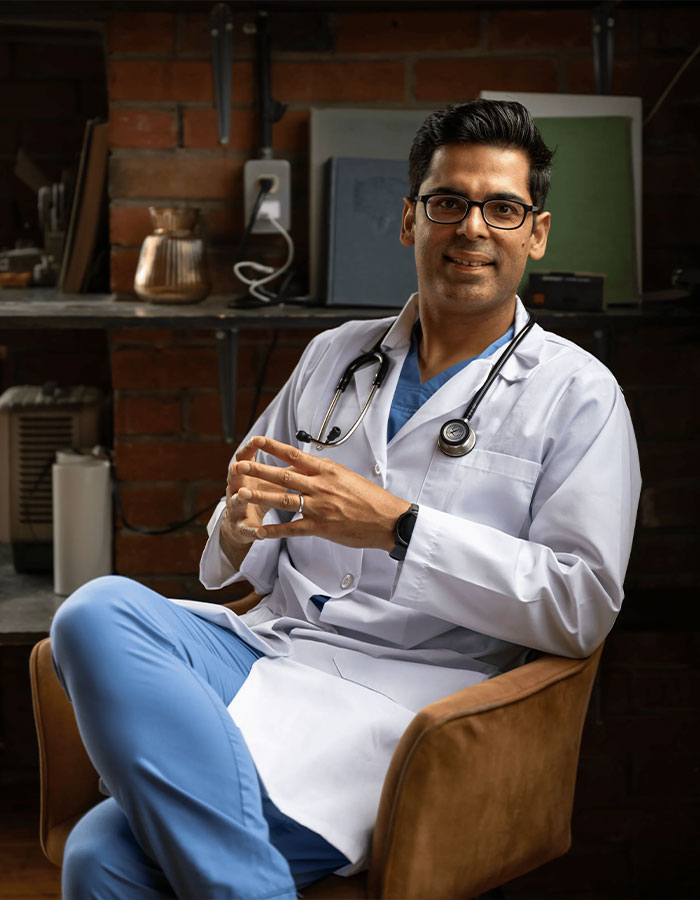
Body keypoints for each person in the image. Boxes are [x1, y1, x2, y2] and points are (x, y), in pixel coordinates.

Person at [51, 99, 641, 900]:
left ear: (535, 233)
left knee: (101, 857)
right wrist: (237, 520)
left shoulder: (580, 395)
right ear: (410, 220)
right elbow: (235, 559)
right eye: (448, 203)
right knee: (94, 613)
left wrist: (398, 529)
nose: (472, 227)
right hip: (274, 650)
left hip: (415, 697)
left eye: (502, 208)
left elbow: (582, 606)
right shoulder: (336, 356)